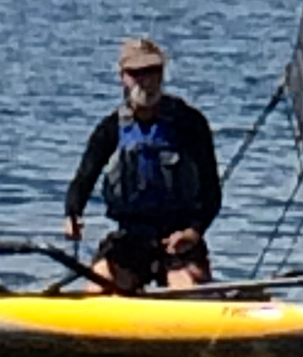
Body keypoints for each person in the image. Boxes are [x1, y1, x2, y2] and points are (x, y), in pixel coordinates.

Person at [63, 36, 221, 293]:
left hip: (179, 239)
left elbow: (211, 191)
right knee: (98, 285)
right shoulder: (110, 128)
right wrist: (72, 213)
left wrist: (194, 232)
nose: (145, 81)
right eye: (136, 73)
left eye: (152, 71)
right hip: (131, 239)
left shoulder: (190, 123)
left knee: (187, 289)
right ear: (123, 77)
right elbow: (83, 179)